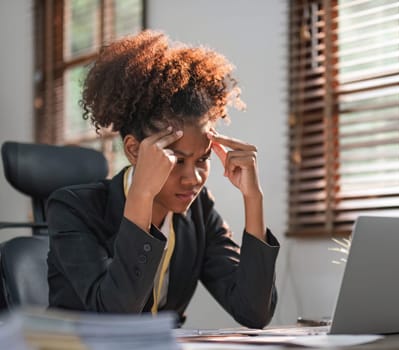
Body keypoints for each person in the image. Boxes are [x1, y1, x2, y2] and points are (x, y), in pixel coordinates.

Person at [46, 30, 279, 329]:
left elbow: (253, 313)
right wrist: (141, 197)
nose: (192, 178)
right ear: (134, 149)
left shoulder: (198, 213)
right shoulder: (74, 208)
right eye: (177, 160)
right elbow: (115, 316)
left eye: (203, 159)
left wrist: (253, 200)